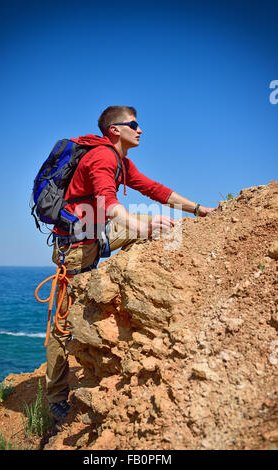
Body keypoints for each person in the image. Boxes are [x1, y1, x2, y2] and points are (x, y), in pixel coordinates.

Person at [45, 105, 215, 419]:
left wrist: (197, 208)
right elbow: (108, 205)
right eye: (134, 124)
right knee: (62, 326)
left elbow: (154, 189)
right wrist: (142, 228)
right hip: (77, 249)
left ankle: (124, 288)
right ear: (114, 130)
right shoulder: (103, 157)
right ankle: (56, 399)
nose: (140, 129)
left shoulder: (122, 161)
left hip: (97, 237)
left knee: (159, 224)